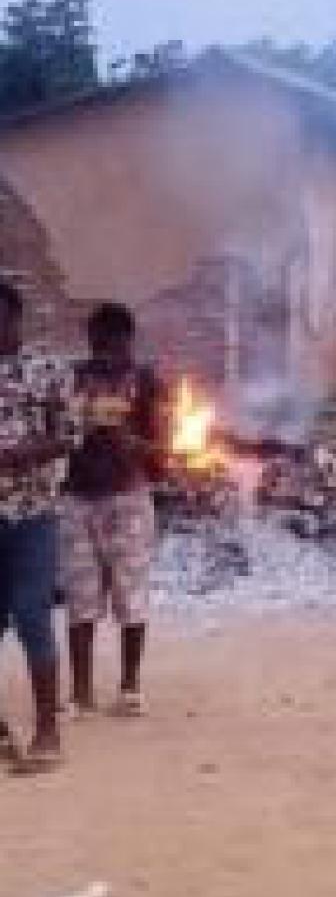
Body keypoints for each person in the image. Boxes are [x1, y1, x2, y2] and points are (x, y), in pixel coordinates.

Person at [61, 303, 164, 718]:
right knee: (80, 598)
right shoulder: (70, 379)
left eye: (114, 342)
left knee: (131, 594)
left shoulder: (145, 382)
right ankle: (81, 694)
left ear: (128, 342)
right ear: (90, 341)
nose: (106, 351)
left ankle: (129, 688)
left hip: (127, 496)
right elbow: (56, 431)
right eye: (99, 341)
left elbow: (163, 446)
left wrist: (135, 446)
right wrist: (79, 426)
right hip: (77, 496)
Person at [0, 281, 80, 770]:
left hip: (32, 514)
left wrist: (20, 455)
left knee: (32, 615)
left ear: (14, 320)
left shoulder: (46, 371)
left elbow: (69, 435)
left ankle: (47, 730)